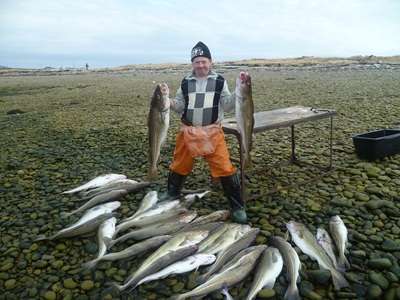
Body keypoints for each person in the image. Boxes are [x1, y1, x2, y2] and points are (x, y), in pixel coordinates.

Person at [160, 41, 248, 224]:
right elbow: (180, 105)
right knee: (179, 164)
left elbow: (228, 105)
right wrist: (168, 103)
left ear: (211, 62)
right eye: (197, 61)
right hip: (188, 131)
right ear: (192, 63)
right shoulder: (185, 82)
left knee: (225, 167)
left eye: (204, 61)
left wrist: (240, 91)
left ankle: (237, 206)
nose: (200, 65)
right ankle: (172, 193)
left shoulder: (219, 81)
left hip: (212, 132)